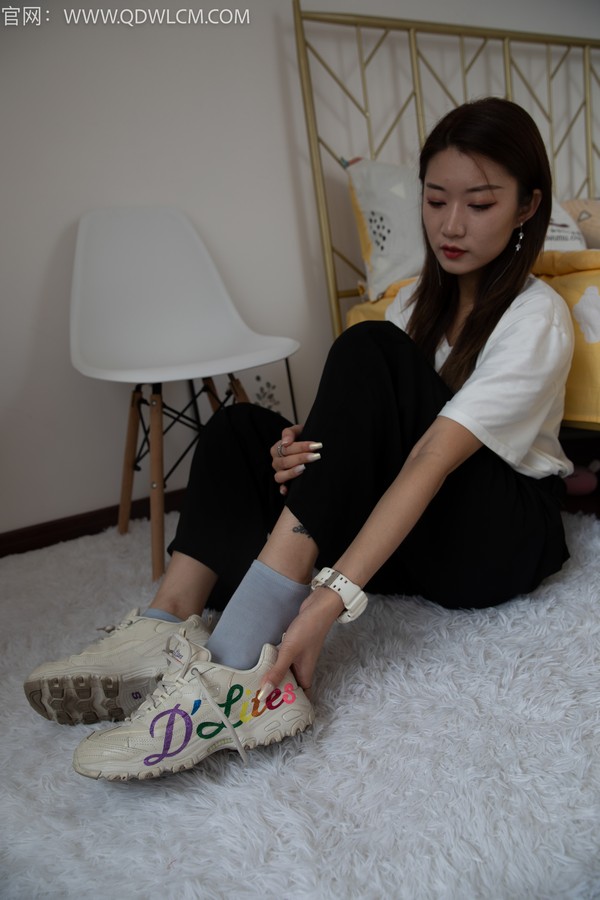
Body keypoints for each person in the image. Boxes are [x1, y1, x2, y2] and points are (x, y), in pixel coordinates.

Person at [24, 97, 574, 781]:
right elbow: (372, 429)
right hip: (410, 526)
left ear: (527, 207)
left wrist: (326, 603)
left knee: (368, 346)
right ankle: (166, 623)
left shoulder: (536, 317)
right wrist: (305, 452)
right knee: (239, 431)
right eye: (435, 200)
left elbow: (431, 456)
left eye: (480, 204)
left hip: (496, 540)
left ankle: (236, 670)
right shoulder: (412, 302)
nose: (451, 224)